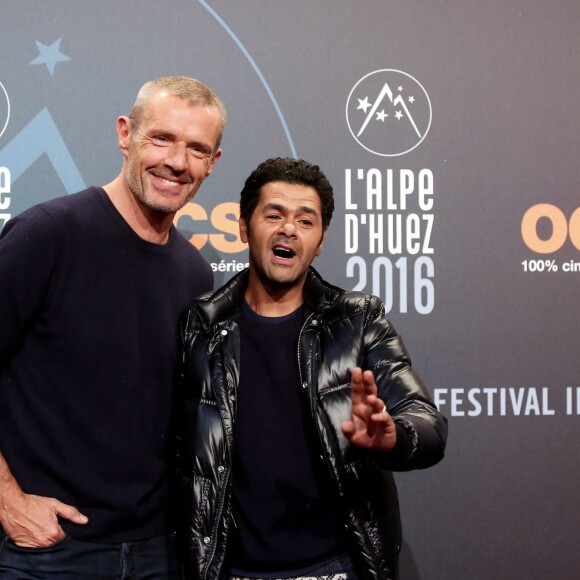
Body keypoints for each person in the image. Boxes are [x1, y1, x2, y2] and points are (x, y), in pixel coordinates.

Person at [175, 157, 448, 580]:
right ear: (244, 228)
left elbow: (427, 422)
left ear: (320, 241)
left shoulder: (357, 320)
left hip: (337, 567)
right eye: (274, 215)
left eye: (306, 221)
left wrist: (392, 436)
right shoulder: (201, 326)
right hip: (228, 570)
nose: (289, 229)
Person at [0, 76, 226, 578]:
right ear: (126, 134)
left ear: (212, 163)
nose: (176, 161)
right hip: (49, 552)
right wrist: (7, 499)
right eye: (161, 138)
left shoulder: (195, 271)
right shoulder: (48, 235)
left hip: (160, 550)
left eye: (196, 148)